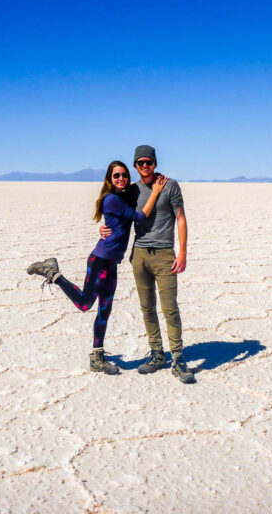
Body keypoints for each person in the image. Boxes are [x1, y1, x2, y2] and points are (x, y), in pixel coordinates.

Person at [26, 160, 167, 375]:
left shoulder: (122, 196)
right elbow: (138, 217)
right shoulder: (111, 199)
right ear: (109, 180)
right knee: (85, 304)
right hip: (100, 260)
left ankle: (97, 356)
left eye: (124, 175)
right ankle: (52, 273)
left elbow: (130, 205)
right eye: (116, 176)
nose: (121, 179)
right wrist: (156, 191)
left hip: (111, 263)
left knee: (105, 309)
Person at [100, 145, 194, 384]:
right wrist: (103, 229)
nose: (145, 166)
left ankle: (178, 358)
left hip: (164, 255)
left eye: (148, 162)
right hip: (139, 255)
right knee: (147, 307)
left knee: (170, 308)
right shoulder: (131, 191)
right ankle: (156, 354)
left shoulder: (170, 185)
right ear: (135, 166)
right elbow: (116, 214)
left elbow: (181, 218)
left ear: (155, 163)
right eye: (140, 162)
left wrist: (182, 252)